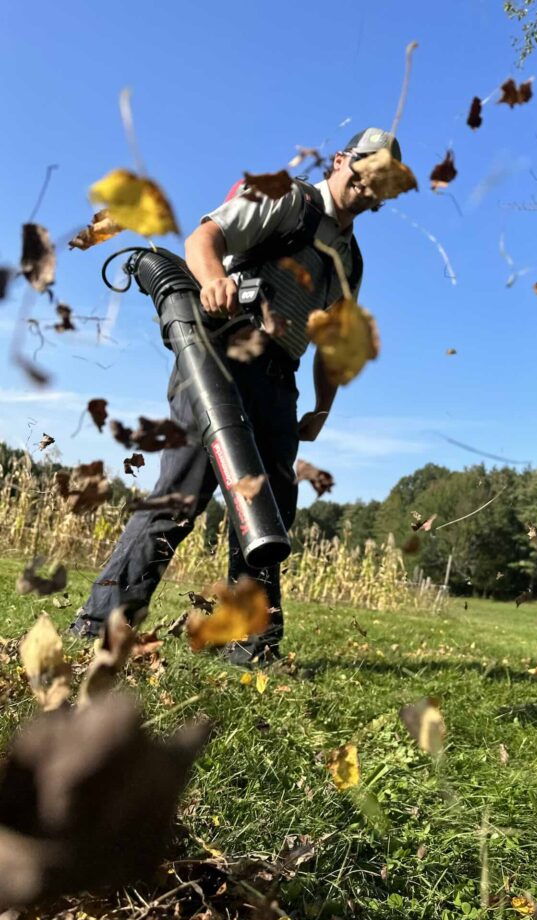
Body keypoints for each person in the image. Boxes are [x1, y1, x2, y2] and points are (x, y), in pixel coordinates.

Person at [69, 128, 401, 665]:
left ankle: (248, 647)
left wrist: (321, 406)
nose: (372, 185)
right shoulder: (286, 198)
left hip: (280, 379)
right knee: (181, 494)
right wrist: (212, 281)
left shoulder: (350, 258)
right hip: (221, 357)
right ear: (342, 160)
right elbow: (203, 239)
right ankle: (101, 625)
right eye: (368, 169)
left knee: (268, 514)